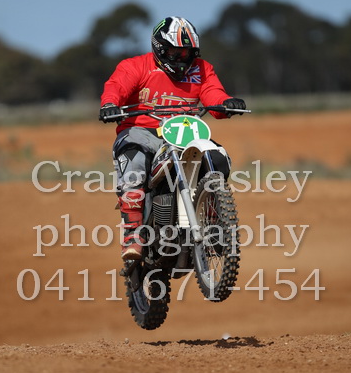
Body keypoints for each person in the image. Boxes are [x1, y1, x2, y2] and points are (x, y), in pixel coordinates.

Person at [99, 16, 246, 261]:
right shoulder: (135, 66)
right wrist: (110, 104)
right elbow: (117, 86)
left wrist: (226, 103)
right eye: (175, 52)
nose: (182, 58)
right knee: (135, 166)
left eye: (187, 53)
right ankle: (133, 233)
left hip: (185, 132)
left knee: (217, 158)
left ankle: (213, 222)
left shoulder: (202, 69)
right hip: (141, 131)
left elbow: (213, 92)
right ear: (159, 48)